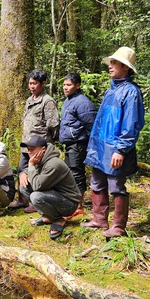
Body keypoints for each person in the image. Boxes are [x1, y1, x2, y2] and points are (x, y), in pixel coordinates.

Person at [82, 46, 145, 237]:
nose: (111, 66)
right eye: (111, 62)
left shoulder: (130, 92)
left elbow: (131, 124)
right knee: (97, 182)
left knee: (116, 185)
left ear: (126, 68)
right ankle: (99, 219)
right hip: (100, 146)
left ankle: (118, 226)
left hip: (115, 148)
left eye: (115, 63)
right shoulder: (112, 90)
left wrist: (121, 149)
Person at [7, 69, 60, 213]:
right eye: (30, 83)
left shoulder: (47, 101)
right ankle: (22, 199)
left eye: (35, 83)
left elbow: (53, 125)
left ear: (43, 84)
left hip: (40, 145)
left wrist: (47, 144)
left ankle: (37, 201)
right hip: (26, 144)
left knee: (37, 172)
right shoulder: (29, 100)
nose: (32, 86)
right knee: (21, 170)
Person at [18, 135, 81, 240]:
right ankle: (48, 216)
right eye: (28, 150)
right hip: (55, 196)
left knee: (36, 196)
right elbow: (34, 173)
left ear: (43, 149)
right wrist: (23, 174)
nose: (29, 152)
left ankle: (58, 220)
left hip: (69, 204)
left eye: (32, 149)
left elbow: (37, 186)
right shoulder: (41, 159)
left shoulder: (53, 164)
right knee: (23, 187)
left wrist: (30, 165)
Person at [59, 73, 97, 213]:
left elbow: (91, 125)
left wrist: (83, 139)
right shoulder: (69, 100)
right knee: (69, 172)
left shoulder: (82, 102)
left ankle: (78, 205)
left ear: (77, 85)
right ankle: (72, 202)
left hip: (78, 143)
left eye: (69, 85)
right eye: (64, 85)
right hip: (70, 143)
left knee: (77, 172)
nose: (65, 88)